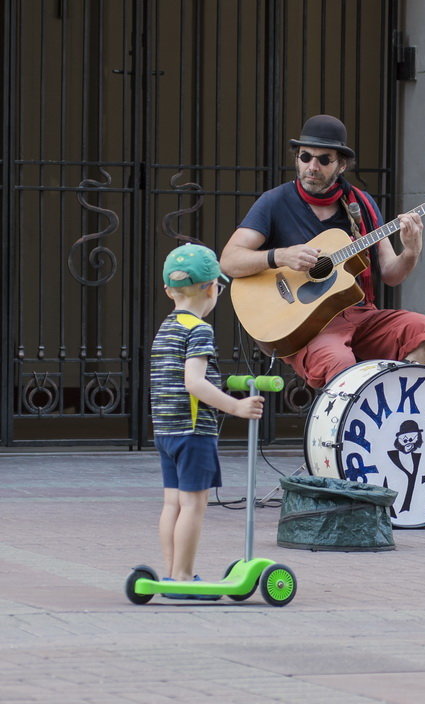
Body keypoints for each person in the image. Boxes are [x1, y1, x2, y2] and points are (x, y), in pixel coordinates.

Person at [220, 114, 425, 390]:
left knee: (420, 329)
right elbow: (229, 260)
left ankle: (404, 409)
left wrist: (411, 251)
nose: (312, 166)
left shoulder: (361, 204)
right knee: (337, 360)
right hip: (311, 327)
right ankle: (344, 431)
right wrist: (279, 256)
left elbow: (392, 274)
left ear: (341, 165)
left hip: (359, 315)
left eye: (324, 160)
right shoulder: (274, 203)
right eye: (305, 156)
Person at [151, 243, 264, 599]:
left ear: (169, 290)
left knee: (173, 504)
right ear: (213, 288)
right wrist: (237, 406)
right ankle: (184, 577)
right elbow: (194, 382)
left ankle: (171, 573)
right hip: (193, 432)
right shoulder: (199, 330)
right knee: (195, 505)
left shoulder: (166, 328)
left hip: (166, 431)